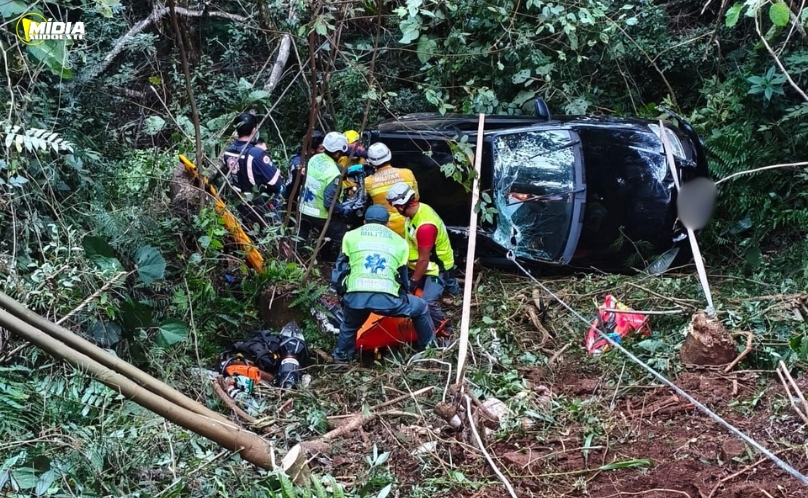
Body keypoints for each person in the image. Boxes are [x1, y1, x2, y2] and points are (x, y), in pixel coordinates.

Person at [330, 205, 435, 362]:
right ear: (387, 223)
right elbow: (402, 278)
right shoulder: (400, 243)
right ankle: (431, 351)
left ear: (365, 221)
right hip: (388, 299)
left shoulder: (350, 236)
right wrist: (403, 296)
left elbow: (340, 268)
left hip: (356, 297)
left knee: (349, 326)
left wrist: (342, 293)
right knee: (421, 307)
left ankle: (342, 360)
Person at [386, 182, 459, 335]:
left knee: (429, 301)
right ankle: (455, 296)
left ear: (401, 206)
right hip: (423, 263)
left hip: (436, 268)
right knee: (450, 284)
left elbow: (424, 260)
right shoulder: (416, 212)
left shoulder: (425, 226)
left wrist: (413, 282)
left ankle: (445, 331)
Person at [298, 132, 361, 259]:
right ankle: (340, 262)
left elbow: (336, 168)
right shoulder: (333, 174)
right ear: (338, 153)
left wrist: (358, 168)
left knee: (301, 235)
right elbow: (328, 202)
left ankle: (295, 257)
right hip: (320, 213)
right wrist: (343, 210)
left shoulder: (314, 158)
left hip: (304, 208)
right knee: (341, 234)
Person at [221, 113, 283, 228]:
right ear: (254, 130)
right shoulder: (256, 153)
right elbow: (276, 184)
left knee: (250, 230)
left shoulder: (228, 151)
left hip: (240, 200)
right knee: (269, 231)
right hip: (258, 203)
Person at [364, 142, 419, 238]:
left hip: (385, 229)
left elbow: (363, 202)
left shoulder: (368, 182)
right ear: (389, 155)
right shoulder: (407, 173)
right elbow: (416, 198)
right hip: (409, 225)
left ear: (371, 162)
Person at [282, 130, 325, 206]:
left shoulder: (318, 159)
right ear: (311, 150)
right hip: (292, 200)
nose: (324, 152)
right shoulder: (298, 162)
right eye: (322, 149)